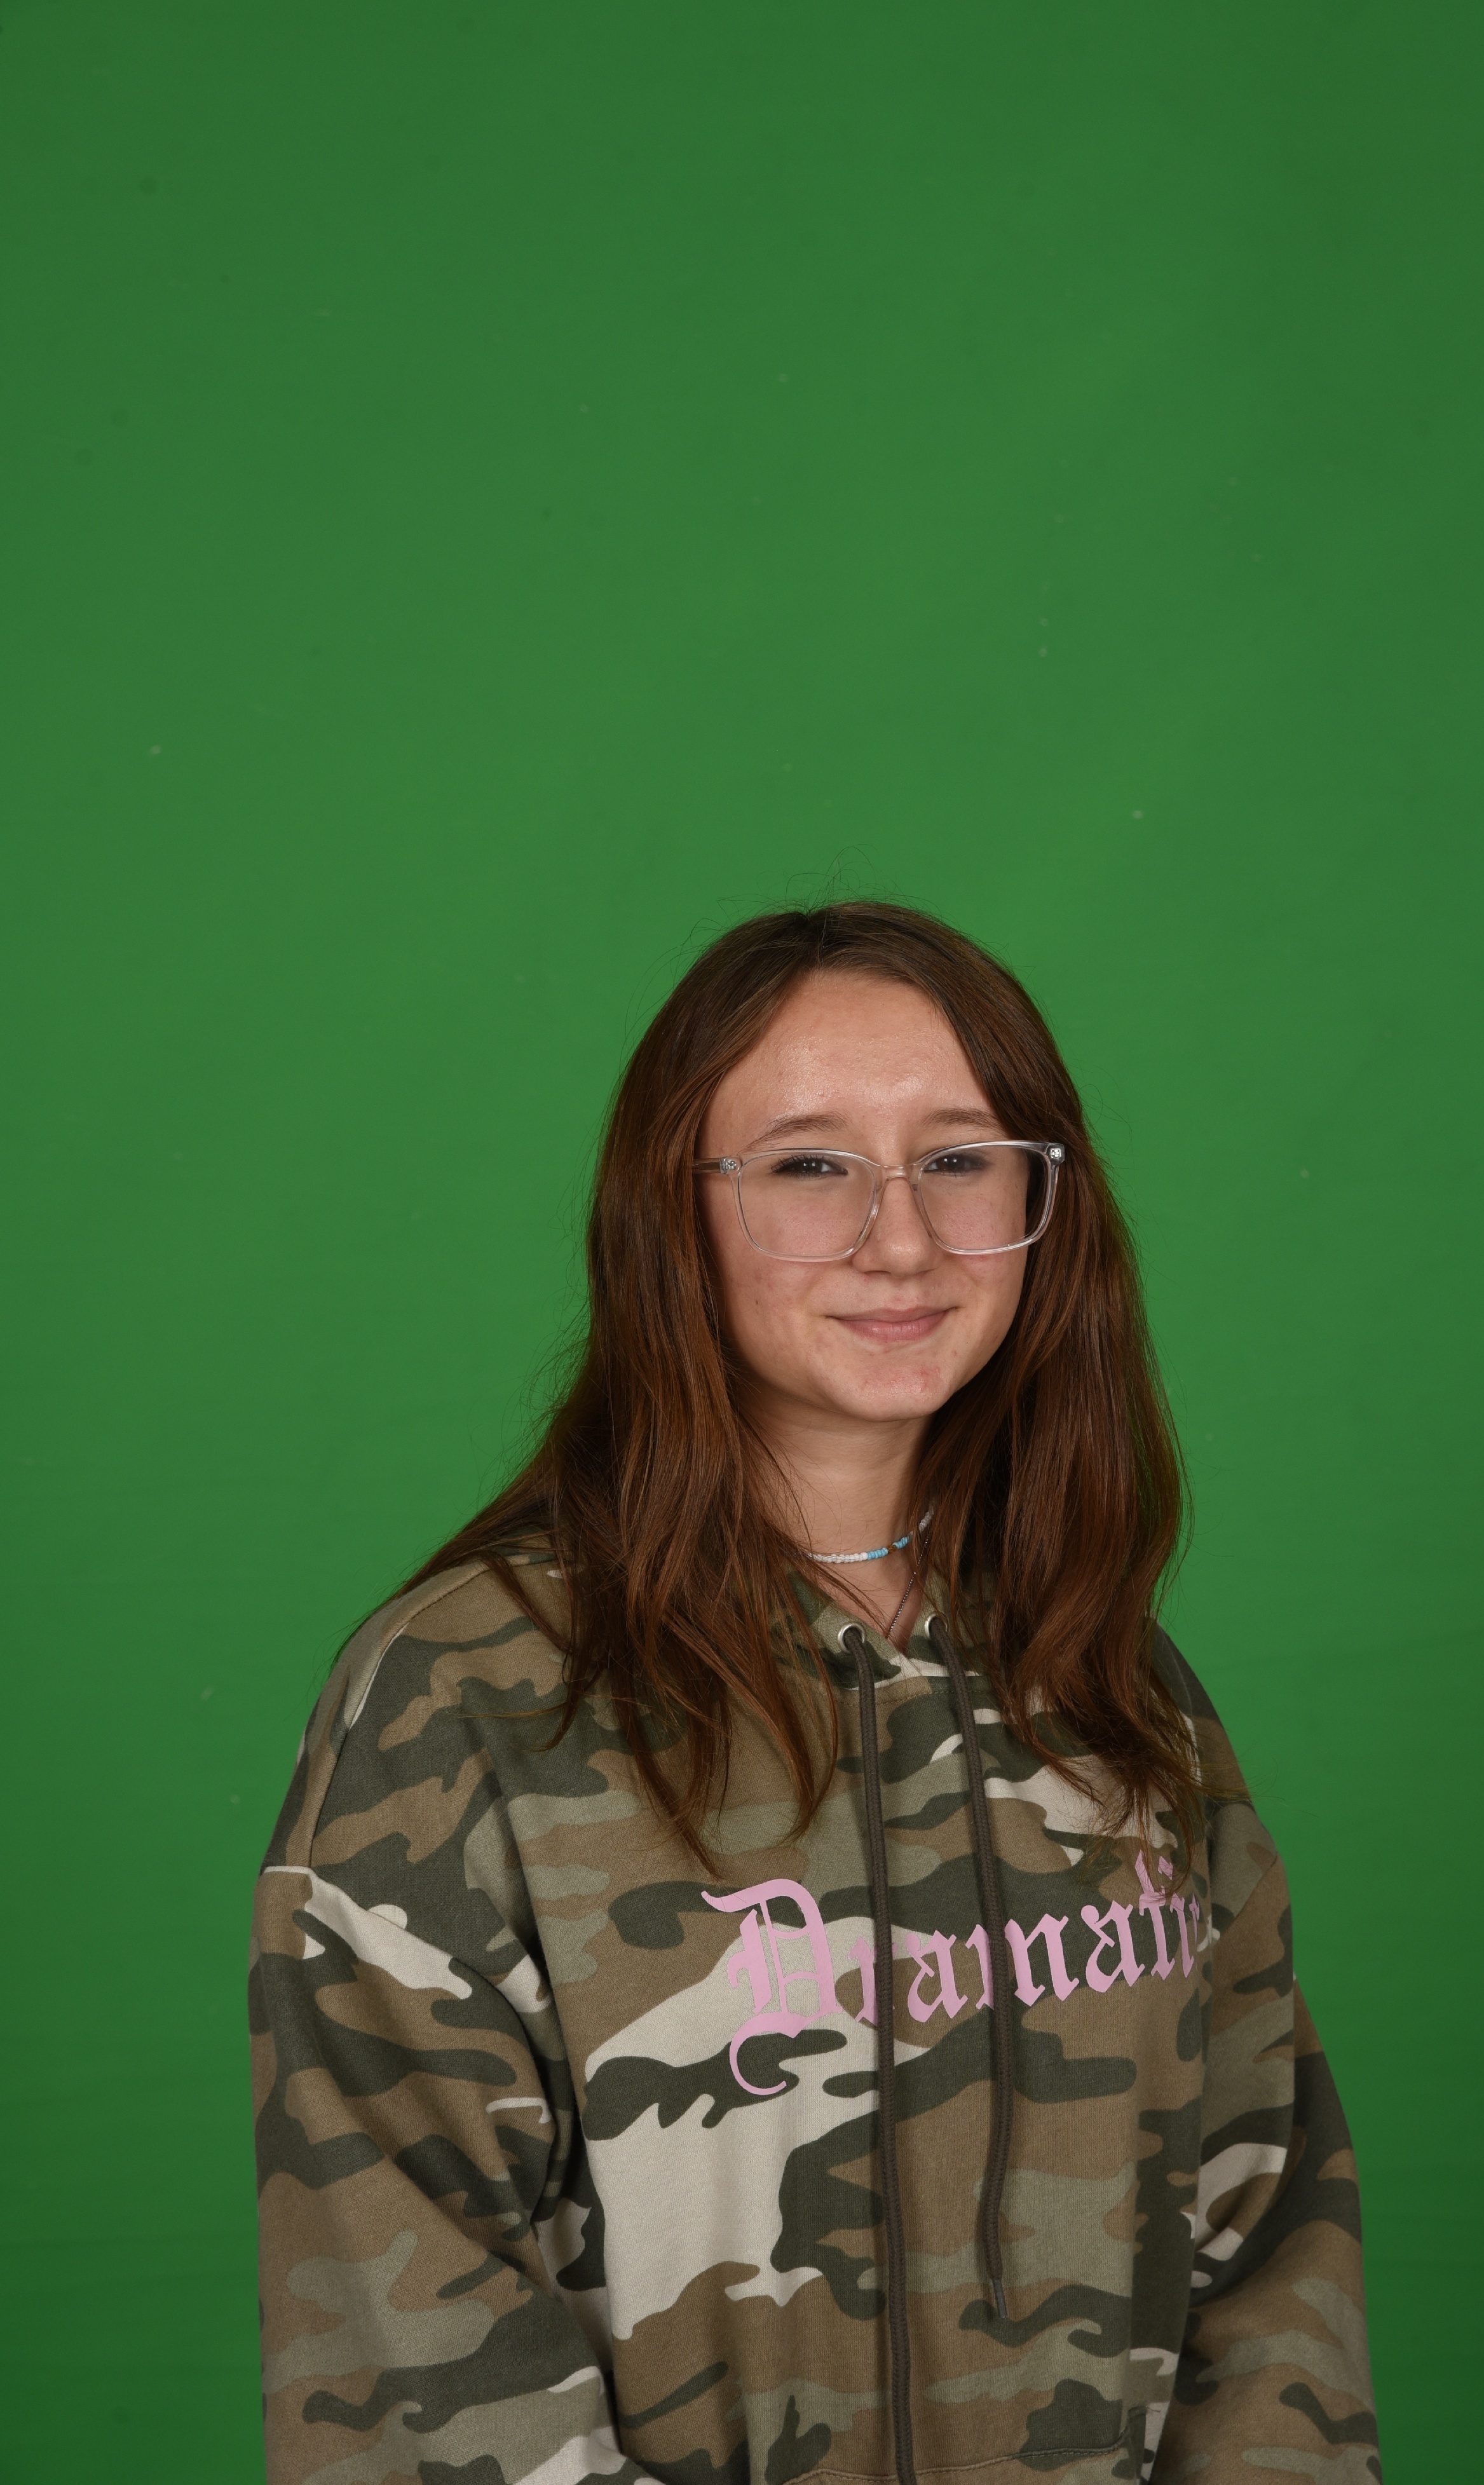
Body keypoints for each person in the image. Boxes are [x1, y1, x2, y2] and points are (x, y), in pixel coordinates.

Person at [250, 902, 1379, 2485]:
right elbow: (410, 2353)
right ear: (674, 1214)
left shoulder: (1107, 1674)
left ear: (1044, 1201)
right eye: (807, 1164)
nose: (899, 1238)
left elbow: (1269, 2239)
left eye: (959, 1157)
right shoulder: (471, 1700)